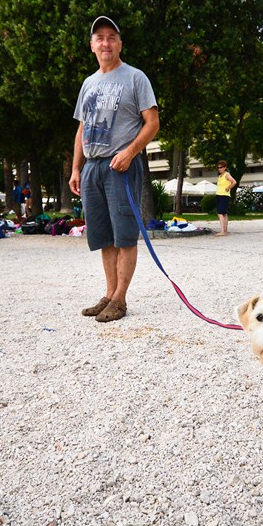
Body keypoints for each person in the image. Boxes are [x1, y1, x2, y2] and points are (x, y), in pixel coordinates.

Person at [69, 16, 159, 323]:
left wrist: (131, 151)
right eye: (100, 38)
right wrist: (75, 169)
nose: (105, 43)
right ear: (92, 46)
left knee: (124, 236)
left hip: (119, 167)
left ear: (119, 44)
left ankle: (120, 299)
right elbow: (82, 129)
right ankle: (108, 294)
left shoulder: (135, 78)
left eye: (111, 37)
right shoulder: (88, 84)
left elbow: (152, 122)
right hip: (92, 169)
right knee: (103, 237)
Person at [214, 160, 237, 237]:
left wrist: (228, 188)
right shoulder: (220, 176)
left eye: (221, 167)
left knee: (220, 213)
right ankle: (225, 230)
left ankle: (223, 231)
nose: (219, 169)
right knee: (224, 213)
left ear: (225, 167)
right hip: (218, 195)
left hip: (224, 195)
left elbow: (234, 182)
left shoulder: (226, 175)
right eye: (218, 167)